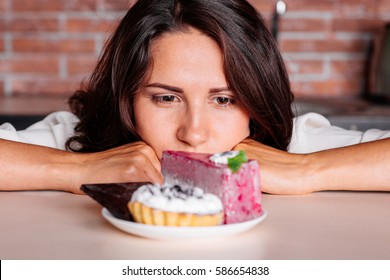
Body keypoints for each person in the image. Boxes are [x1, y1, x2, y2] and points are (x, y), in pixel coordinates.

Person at [0, 0, 389, 195]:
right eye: (166, 99)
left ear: (255, 103)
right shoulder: (82, 143)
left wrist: (306, 171)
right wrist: (76, 171)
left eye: (223, 100)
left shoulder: (290, 148)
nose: (194, 133)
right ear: (127, 99)